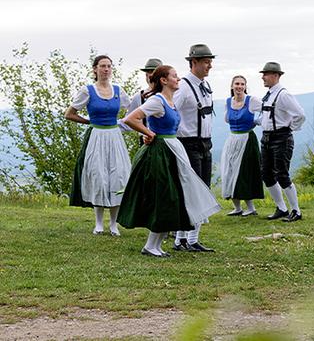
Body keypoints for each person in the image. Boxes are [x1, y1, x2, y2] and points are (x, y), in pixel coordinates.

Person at [118, 65, 221, 257]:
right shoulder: (157, 101)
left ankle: (155, 245)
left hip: (173, 149)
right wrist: (149, 133)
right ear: (164, 80)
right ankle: (150, 245)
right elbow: (131, 119)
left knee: (174, 196)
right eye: (174, 76)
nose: (178, 79)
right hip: (161, 152)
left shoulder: (170, 101)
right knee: (165, 196)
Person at [64, 55, 132, 236]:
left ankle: (114, 224)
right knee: (99, 176)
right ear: (95, 69)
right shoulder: (87, 91)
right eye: (102, 66)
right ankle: (99, 223)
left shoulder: (118, 90)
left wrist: (122, 123)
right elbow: (69, 114)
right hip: (96, 136)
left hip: (115, 136)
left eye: (109, 66)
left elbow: (132, 110)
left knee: (118, 177)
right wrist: (88, 122)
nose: (106, 69)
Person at [172, 44, 217, 252]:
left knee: (202, 189)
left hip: (204, 143)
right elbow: (171, 110)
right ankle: (182, 238)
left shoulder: (203, 85)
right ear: (194, 63)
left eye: (210, 61)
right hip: (188, 143)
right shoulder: (182, 87)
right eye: (206, 61)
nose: (209, 65)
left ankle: (190, 238)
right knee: (192, 191)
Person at [259, 62, 307, 222]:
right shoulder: (269, 94)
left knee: (282, 174)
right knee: (266, 173)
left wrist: (289, 128)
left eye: (266, 74)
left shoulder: (283, 95)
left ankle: (296, 211)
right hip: (266, 137)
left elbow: (300, 114)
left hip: (281, 138)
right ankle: (281, 208)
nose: (263, 77)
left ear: (275, 76)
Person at [221, 76, 265, 217]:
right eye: (237, 84)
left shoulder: (252, 101)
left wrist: (258, 121)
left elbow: (267, 110)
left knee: (244, 172)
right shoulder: (228, 102)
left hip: (247, 139)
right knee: (230, 170)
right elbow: (227, 119)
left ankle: (251, 208)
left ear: (245, 86)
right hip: (232, 139)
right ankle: (237, 207)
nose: (239, 86)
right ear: (232, 86)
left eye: (242, 84)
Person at [129, 58, 163, 146]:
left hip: (167, 139)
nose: (150, 75)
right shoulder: (139, 97)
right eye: (148, 72)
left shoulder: (171, 95)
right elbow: (128, 120)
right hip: (146, 141)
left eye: (153, 72)